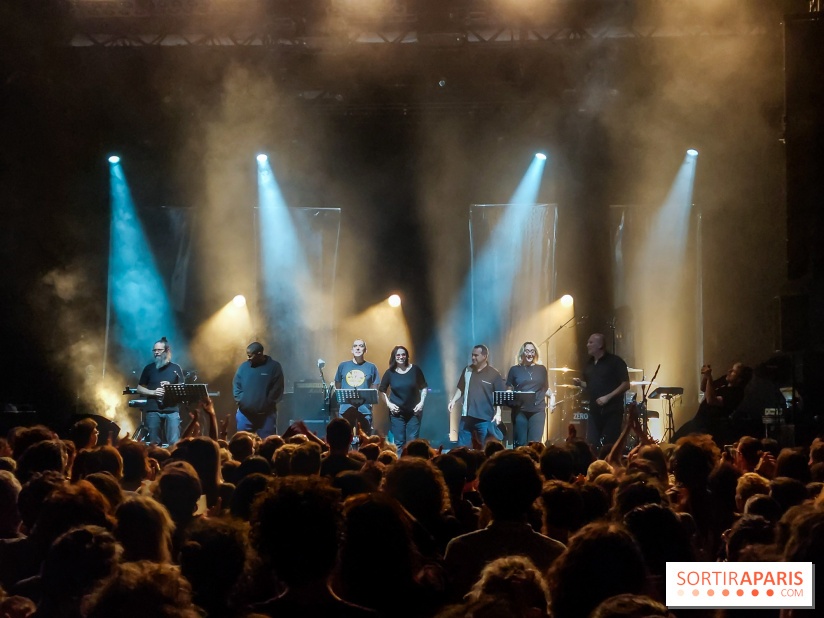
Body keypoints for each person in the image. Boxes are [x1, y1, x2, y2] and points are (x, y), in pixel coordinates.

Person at [573, 333, 629, 447]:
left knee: (610, 444)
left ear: (600, 345)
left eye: (591, 342)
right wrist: (581, 384)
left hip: (612, 411)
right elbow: (592, 385)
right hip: (594, 411)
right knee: (592, 443)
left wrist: (607, 397)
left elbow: (626, 384)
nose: (587, 345)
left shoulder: (615, 362)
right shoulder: (589, 364)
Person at [447, 345, 505, 447]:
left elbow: (499, 396)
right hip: (466, 417)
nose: (473, 358)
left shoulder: (494, 374)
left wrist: (498, 413)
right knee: (462, 448)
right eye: (472, 355)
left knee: (485, 448)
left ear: (484, 356)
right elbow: (461, 388)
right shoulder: (467, 370)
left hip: (485, 419)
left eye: (476, 355)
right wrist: (453, 401)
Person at [136, 337, 184, 446]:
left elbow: (182, 387)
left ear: (167, 351)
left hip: (171, 410)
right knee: (154, 443)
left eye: (159, 350)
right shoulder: (149, 369)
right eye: (154, 350)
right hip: (153, 409)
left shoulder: (175, 368)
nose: (156, 352)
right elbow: (139, 388)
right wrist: (153, 392)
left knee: (174, 442)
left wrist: (171, 390)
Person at [379, 345, 428, 453]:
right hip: (397, 413)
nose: (401, 357)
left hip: (414, 412)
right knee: (399, 443)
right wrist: (389, 404)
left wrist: (421, 403)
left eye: (403, 354)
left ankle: (413, 466)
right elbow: (382, 391)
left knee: (413, 443)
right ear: (394, 357)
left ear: (407, 356)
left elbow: (424, 387)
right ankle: (400, 466)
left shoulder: (415, 370)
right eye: (398, 355)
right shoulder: (390, 373)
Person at [233, 341, 284, 439]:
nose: (248, 358)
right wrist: (242, 401)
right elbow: (237, 386)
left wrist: (266, 404)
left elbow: (277, 389)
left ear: (259, 354)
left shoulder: (274, 367)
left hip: (266, 415)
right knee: (242, 442)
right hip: (245, 415)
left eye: (250, 356)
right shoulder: (243, 367)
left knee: (267, 443)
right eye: (247, 355)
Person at [506, 341, 551, 447]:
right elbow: (509, 389)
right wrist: (508, 397)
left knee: (535, 444)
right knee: (521, 444)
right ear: (522, 353)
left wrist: (552, 398)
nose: (530, 354)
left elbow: (546, 388)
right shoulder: (514, 369)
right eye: (527, 351)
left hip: (537, 410)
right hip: (520, 410)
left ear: (535, 353)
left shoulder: (541, 369)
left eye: (532, 351)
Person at [334, 339, 380, 436]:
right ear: (351, 350)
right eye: (355, 346)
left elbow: (375, 386)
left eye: (361, 346)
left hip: (364, 410)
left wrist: (370, 404)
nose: (358, 348)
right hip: (346, 409)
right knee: (343, 438)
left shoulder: (371, 367)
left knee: (364, 439)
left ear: (365, 350)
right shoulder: (343, 366)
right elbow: (338, 384)